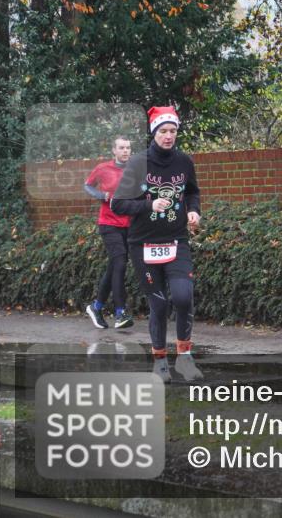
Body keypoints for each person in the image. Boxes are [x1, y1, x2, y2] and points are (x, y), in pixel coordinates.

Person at [110, 106, 203, 383]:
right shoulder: (138, 163)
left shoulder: (184, 162)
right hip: (143, 244)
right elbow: (118, 204)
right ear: (154, 133)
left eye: (173, 131)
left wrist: (193, 211)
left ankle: (185, 359)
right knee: (159, 305)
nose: (168, 136)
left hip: (177, 240)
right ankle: (160, 362)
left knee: (183, 297)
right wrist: (149, 204)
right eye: (163, 131)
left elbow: (192, 191)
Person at [84, 136, 134, 330]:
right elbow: (87, 185)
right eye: (121, 148)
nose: (125, 151)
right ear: (114, 150)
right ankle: (120, 313)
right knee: (120, 263)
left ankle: (96, 307)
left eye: (128, 148)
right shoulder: (103, 168)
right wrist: (101, 195)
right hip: (109, 224)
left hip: (128, 225)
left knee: (114, 267)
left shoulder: (135, 170)